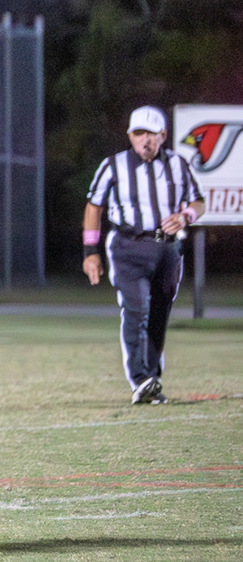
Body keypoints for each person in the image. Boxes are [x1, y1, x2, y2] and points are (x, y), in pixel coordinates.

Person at [84, 106, 205, 404]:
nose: (145, 140)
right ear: (130, 136)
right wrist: (90, 251)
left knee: (159, 314)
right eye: (139, 133)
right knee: (136, 310)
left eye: (151, 134)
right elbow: (94, 207)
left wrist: (186, 216)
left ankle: (151, 379)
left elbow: (198, 202)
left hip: (167, 247)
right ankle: (140, 378)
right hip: (128, 246)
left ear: (163, 135)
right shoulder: (113, 165)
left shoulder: (177, 164)